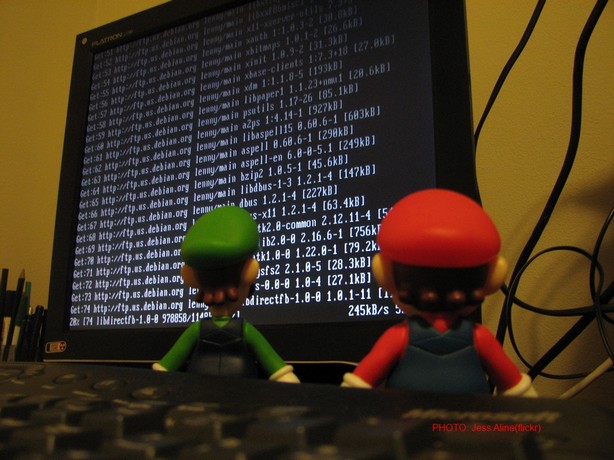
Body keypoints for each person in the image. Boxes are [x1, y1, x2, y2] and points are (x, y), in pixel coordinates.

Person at [342, 189, 536, 396]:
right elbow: (516, 388)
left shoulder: (400, 336)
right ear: (492, 278)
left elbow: (358, 387)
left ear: (386, 276)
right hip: (421, 416)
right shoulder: (478, 338)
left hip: (459, 415)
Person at [152, 206, 299, 383]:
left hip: (203, 389)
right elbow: (278, 369)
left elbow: (165, 367)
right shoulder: (244, 330)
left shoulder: (198, 330)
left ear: (189, 277)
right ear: (249, 273)